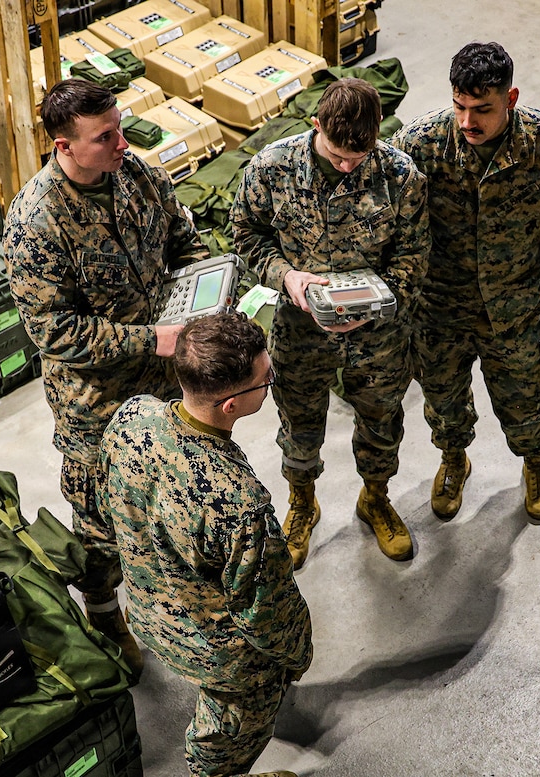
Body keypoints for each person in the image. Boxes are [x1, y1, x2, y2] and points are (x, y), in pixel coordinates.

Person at [3, 78, 208, 674]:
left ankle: (176, 589)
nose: (123, 142)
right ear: (64, 147)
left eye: (120, 127)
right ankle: (103, 609)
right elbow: (53, 332)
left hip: (168, 378)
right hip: (96, 400)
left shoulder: (138, 176)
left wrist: (204, 288)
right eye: (106, 136)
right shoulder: (36, 221)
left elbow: (183, 242)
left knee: (177, 486)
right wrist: (152, 338)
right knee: (100, 517)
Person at [98, 312, 312, 777]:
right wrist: (297, 656)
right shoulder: (237, 502)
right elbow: (267, 612)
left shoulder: (131, 418)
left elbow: (106, 506)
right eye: (265, 380)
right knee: (230, 733)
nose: (269, 382)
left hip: (147, 614)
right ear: (231, 405)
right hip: (219, 654)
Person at [391, 41, 540, 525]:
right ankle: (453, 459)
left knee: (524, 394)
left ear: (511, 98)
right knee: (442, 397)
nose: (467, 122)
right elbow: (392, 221)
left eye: (482, 109)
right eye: (460, 106)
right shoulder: (420, 144)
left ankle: (536, 461)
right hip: (439, 306)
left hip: (514, 303)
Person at [230, 77, 429, 568]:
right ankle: (302, 504)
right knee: (299, 426)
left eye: (357, 159)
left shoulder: (401, 176)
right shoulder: (271, 168)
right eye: (337, 155)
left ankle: (376, 498)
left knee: (383, 422)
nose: (346, 166)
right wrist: (285, 276)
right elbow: (245, 235)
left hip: (378, 335)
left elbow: (414, 255)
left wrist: (374, 303)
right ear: (315, 124)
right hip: (302, 332)